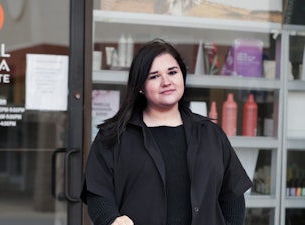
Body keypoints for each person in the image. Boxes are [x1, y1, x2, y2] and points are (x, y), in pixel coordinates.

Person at [81, 38, 252, 225]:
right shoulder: (113, 136)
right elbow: (97, 193)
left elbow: (233, 196)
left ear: (182, 76)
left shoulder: (210, 134)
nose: (166, 81)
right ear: (140, 87)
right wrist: (111, 219)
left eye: (172, 72)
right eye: (154, 76)